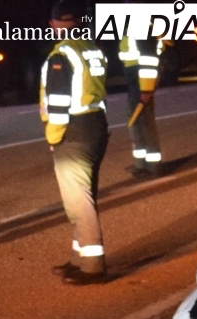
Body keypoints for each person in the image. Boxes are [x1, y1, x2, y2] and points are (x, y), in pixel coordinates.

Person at [40, 1, 110, 285]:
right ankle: (77, 258)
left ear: (54, 24)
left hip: (74, 131)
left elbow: (57, 105)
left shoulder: (61, 56)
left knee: (79, 203)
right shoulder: (90, 48)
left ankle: (93, 267)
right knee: (85, 196)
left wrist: (54, 138)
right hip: (96, 126)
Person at [119, 30, 162, 178]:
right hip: (135, 78)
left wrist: (146, 89)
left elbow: (149, 59)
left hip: (141, 80)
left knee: (144, 123)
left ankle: (153, 166)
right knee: (136, 123)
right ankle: (142, 164)